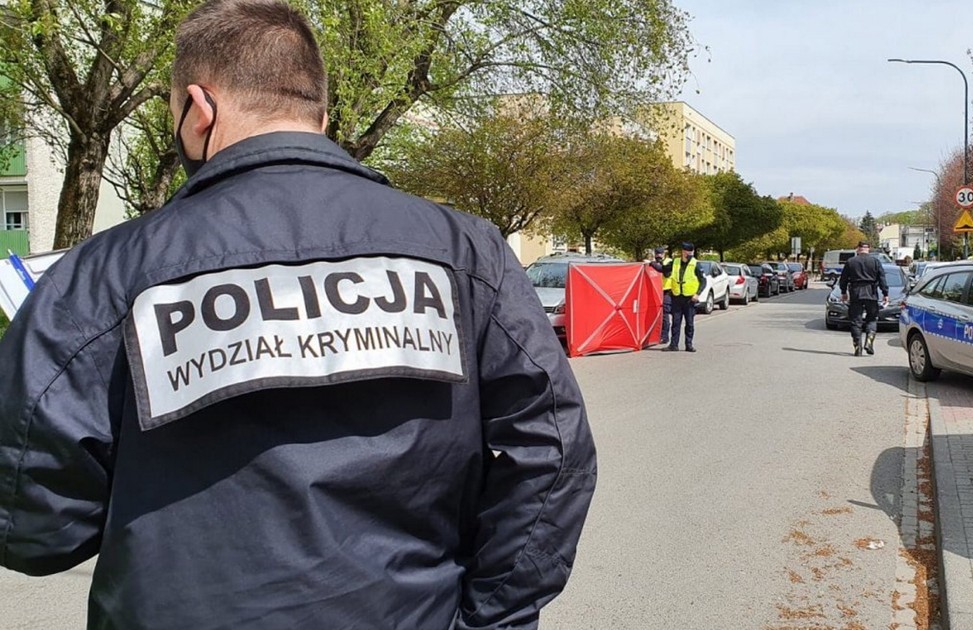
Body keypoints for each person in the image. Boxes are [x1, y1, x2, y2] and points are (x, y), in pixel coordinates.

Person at [0, 2, 597, 628]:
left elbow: (30, 518)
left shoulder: (105, 273)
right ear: (322, 115)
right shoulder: (465, 252)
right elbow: (553, 447)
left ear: (198, 110)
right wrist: (490, 618)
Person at [839, 240, 889, 356]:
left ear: (858, 248)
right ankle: (869, 342)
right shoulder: (875, 262)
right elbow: (882, 279)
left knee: (856, 321)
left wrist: (843, 292)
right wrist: (885, 293)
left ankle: (858, 348)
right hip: (871, 292)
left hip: (856, 292)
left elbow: (844, 279)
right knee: (872, 318)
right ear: (869, 249)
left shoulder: (851, 262)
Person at [662, 242, 707, 352]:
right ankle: (674, 345)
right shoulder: (675, 262)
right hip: (677, 296)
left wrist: (697, 293)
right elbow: (664, 270)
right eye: (687, 251)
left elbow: (703, 281)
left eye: (691, 251)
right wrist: (653, 263)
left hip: (689, 298)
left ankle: (689, 344)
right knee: (676, 322)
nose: (690, 253)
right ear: (683, 252)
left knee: (689, 323)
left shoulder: (695, 264)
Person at [651, 246, 672, 344]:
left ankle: (665, 336)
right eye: (657, 254)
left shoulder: (668, 262)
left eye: (660, 254)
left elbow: (666, 272)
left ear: (664, 254)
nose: (658, 256)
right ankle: (656, 335)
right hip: (656, 291)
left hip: (667, 291)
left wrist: (654, 264)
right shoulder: (655, 263)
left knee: (665, 314)